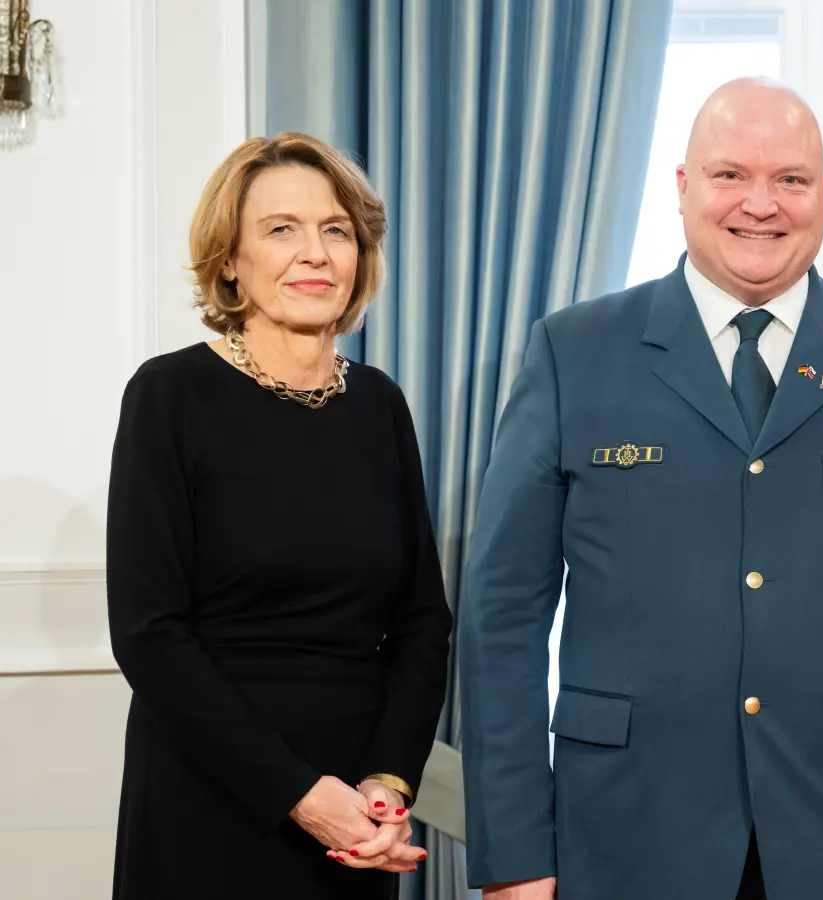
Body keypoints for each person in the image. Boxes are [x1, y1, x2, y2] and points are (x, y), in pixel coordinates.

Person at [457, 77, 823, 900]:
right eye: (730, 176)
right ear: (682, 187)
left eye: (790, 179)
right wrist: (514, 858)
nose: (762, 204)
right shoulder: (575, 353)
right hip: (623, 842)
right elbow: (502, 615)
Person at [106, 132, 453, 898]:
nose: (316, 253)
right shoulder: (169, 397)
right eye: (281, 229)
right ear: (229, 259)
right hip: (210, 797)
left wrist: (385, 784)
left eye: (337, 230)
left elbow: (423, 620)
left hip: (357, 821)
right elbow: (148, 634)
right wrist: (299, 794)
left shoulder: (381, 406)